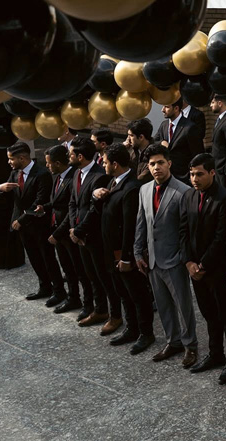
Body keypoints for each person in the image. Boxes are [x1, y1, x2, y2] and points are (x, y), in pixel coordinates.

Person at [134, 144, 200, 365]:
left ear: (169, 163)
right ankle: (173, 341)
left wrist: (185, 258)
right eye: (152, 164)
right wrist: (137, 252)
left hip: (175, 260)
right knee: (163, 305)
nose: (156, 168)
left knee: (183, 306)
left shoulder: (183, 191)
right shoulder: (144, 190)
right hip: (153, 260)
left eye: (160, 163)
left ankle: (190, 345)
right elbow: (141, 223)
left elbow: (187, 230)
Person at [181, 154, 226, 381]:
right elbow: (183, 231)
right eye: (192, 174)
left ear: (212, 173)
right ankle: (216, 354)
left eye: (199, 174)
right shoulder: (189, 195)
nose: (194, 179)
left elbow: (222, 237)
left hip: (216, 270)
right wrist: (188, 262)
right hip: (195, 271)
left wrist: (203, 265)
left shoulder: (225, 198)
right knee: (208, 314)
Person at [93, 144, 154, 354]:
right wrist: (96, 196)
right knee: (123, 293)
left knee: (137, 294)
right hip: (111, 251)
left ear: (115, 164)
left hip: (123, 253)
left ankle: (146, 333)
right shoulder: (113, 181)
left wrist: (127, 258)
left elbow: (130, 227)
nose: (103, 165)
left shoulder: (131, 188)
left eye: (105, 162)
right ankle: (131, 328)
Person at [0, 142, 65, 303]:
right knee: (34, 258)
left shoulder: (42, 174)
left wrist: (21, 220)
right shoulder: (14, 173)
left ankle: (59, 291)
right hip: (22, 227)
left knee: (48, 258)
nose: (9, 162)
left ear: (22, 158)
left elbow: (40, 201)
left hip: (39, 224)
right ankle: (44, 287)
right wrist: (0, 188)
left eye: (11, 159)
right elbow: (6, 194)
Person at [68, 137, 120, 332]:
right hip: (80, 235)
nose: (68, 157)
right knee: (91, 275)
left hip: (95, 236)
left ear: (80, 156)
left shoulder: (99, 176)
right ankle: (100, 309)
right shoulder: (76, 173)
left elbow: (95, 209)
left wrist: (79, 230)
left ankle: (115, 315)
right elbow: (73, 202)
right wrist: (74, 228)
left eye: (71, 154)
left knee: (105, 277)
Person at [44, 145, 87, 316]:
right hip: (57, 230)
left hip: (68, 232)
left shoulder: (72, 178)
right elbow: (56, 202)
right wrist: (44, 207)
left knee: (79, 270)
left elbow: (71, 210)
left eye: (49, 163)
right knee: (67, 268)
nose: (47, 166)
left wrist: (57, 233)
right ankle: (72, 297)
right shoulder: (57, 177)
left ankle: (87, 302)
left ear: (58, 163)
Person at [154, 97, 205, 180]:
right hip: (167, 175)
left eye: (166, 107)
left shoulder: (189, 127)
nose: (162, 110)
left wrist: (190, 176)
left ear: (176, 108)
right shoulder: (164, 125)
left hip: (183, 177)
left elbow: (197, 154)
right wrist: (161, 143)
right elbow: (154, 141)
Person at [125, 119, 154, 183]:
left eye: (131, 135)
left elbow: (142, 178)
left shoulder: (154, 154)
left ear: (141, 137)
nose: (128, 139)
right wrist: (122, 149)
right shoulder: (131, 149)